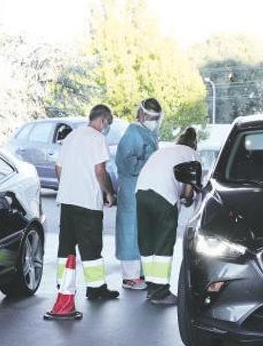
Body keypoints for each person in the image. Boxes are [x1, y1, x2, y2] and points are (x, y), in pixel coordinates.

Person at [45, 105, 119, 320]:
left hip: (67, 201)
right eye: (108, 123)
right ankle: (96, 289)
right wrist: (109, 193)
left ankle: (64, 286)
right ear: (103, 120)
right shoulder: (97, 139)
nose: (107, 127)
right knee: (91, 246)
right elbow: (100, 170)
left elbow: (59, 168)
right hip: (87, 202)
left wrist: (69, 186)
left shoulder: (70, 137)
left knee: (66, 245)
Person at [135, 127, 200, 305]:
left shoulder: (165, 151)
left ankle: (151, 287)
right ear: (195, 143)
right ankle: (161, 292)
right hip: (164, 196)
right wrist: (187, 199)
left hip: (141, 192)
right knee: (164, 242)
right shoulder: (192, 155)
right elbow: (188, 187)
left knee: (147, 241)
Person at [114, 98, 161, 290]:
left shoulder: (148, 133)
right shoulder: (132, 133)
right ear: (141, 114)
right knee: (130, 232)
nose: (153, 120)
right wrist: (149, 161)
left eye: (156, 117)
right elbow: (125, 163)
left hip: (142, 191)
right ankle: (130, 277)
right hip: (131, 190)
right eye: (150, 116)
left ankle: (140, 274)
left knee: (142, 232)